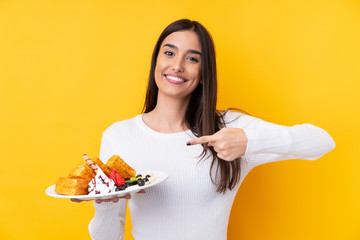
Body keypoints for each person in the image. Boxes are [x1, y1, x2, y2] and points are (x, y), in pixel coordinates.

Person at [86, 19, 335, 240]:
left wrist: (249, 141)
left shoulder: (229, 129)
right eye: (169, 53)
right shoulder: (119, 136)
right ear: (156, 62)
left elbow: (322, 141)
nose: (177, 66)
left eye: (192, 58)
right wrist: (105, 204)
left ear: (204, 73)